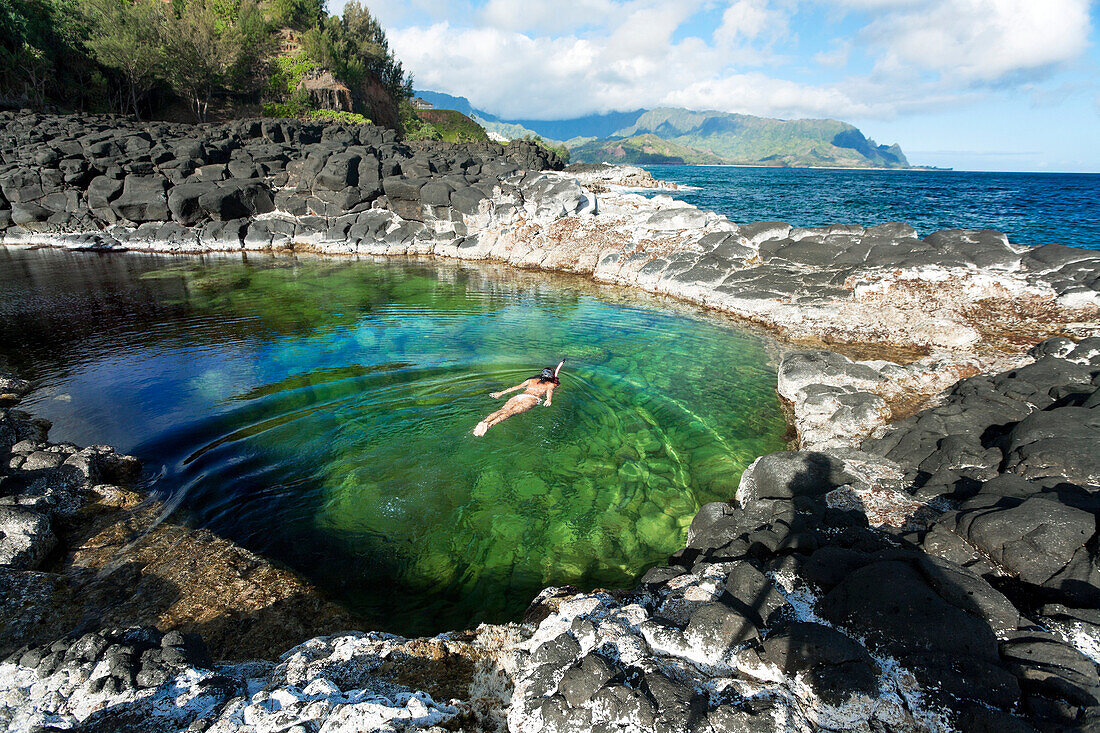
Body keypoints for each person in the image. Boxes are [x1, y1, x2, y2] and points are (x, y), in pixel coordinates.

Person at [473, 360, 564, 437]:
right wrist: (549, 399)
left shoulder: (530, 380)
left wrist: (500, 393)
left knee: (503, 410)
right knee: (511, 412)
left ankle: (485, 421)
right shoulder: (551, 384)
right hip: (531, 399)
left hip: (519, 396)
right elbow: (550, 391)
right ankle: (490, 425)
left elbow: (516, 387)